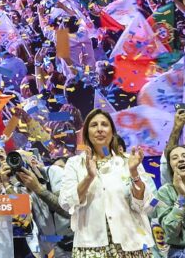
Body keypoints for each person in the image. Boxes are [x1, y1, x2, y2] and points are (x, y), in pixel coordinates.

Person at [59, 109, 157, 257]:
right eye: (94, 125)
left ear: (112, 131)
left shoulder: (129, 161)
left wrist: (134, 173)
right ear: (87, 133)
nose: (99, 129)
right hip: (91, 246)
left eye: (104, 124)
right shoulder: (75, 163)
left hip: (132, 244)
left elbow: (145, 205)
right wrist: (89, 177)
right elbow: (66, 202)